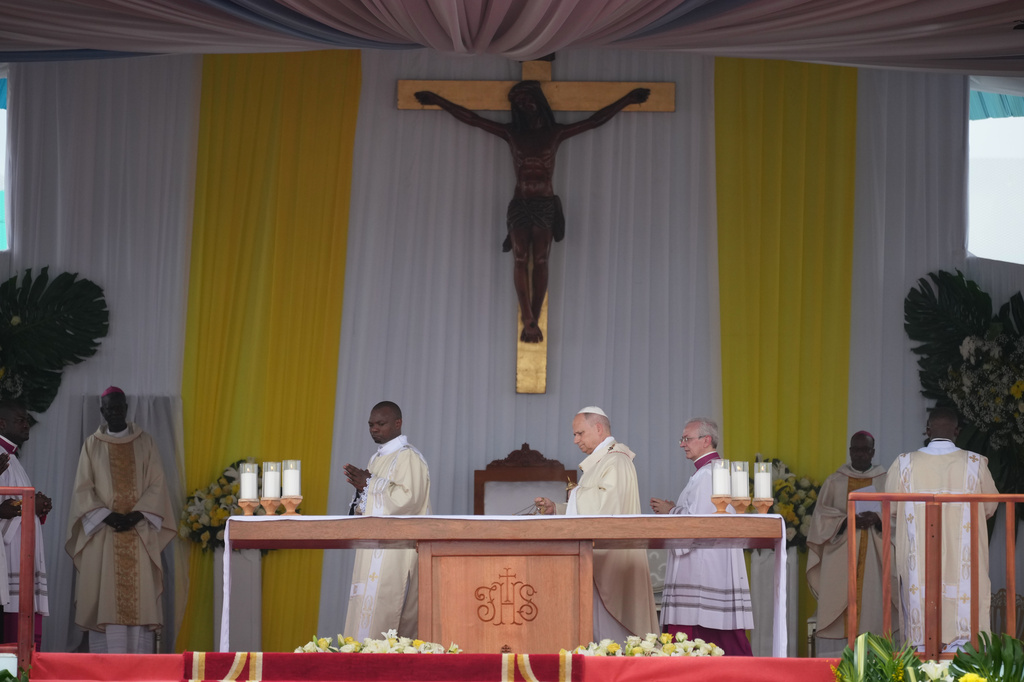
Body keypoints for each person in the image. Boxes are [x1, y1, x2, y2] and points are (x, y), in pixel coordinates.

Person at [414, 82, 650, 343]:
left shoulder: (555, 133)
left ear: (538, 101)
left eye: (527, 99)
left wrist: (627, 100)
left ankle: (532, 319)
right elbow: (472, 119)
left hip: (544, 204)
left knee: (540, 261)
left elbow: (595, 121)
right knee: (519, 258)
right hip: (521, 203)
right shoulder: (512, 134)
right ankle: (528, 317)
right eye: (518, 102)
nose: (524, 105)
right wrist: (438, 101)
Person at [65, 387, 176, 653]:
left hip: (138, 532)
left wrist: (137, 514)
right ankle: (107, 672)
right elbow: (83, 488)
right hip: (104, 533)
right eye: (110, 408)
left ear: (126, 408)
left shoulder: (145, 442)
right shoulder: (92, 444)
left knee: (140, 603)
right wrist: (108, 516)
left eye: (119, 407)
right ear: (102, 412)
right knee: (106, 598)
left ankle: (139, 671)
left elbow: (157, 484)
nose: (115, 412)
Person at [535, 406, 659, 640]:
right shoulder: (603, 461)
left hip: (612, 560)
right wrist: (557, 509)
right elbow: (589, 509)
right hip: (597, 556)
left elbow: (606, 507)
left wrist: (575, 495)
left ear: (599, 428)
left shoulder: (616, 461)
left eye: (579, 433)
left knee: (612, 637)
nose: (575, 440)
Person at [885, 406, 998, 651]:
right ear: (957, 432)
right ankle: (965, 657)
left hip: (920, 560)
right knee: (964, 611)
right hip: (963, 561)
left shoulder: (904, 464)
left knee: (920, 616)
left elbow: (891, 508)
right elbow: (990, 508)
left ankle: (921, 656)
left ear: (927, 431)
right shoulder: (975, 464)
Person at [649, 417, 753, 655]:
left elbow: (700, 524)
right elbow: (699, 512)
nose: (682, 444)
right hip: (709, 561)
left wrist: (671, 511)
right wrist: (677, 508)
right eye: (682, 439)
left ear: (706, 440)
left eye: (687, 438)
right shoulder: (709, 471)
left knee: (702, 632)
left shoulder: (709, 474)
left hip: (704, 565)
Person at [343, 401, 431, 639]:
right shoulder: (376, 458)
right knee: (365, 607)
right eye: (371, 424)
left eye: (380, 424)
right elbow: (368, 505)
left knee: (389, 612)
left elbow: (410, 500)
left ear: (397, 423)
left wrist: (369, 485)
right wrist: (363, 489)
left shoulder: (409, 457)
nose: (374, 429)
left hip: (396, 550)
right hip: (372, 548)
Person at [806, 431, 898, 656]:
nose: (859, 454)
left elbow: (899, 516)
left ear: (872, 452)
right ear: (849, 451)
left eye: (864, 450)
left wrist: (878, 519)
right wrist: (848, 519)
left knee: (874, 609)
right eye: (855, 449)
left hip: (875, 559)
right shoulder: (835, 481)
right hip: (841, 556)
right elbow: (820, 517)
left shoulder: (885, 480)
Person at [0, 400, 51, 651]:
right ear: (2, 423)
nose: (26, 424)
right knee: (11, 640)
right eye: (20, 419)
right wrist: (27, 506)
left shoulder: (12, 457)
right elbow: (6, 508)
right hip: (8, 558)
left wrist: (36, 507)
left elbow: (13, 504)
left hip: (21, 554)